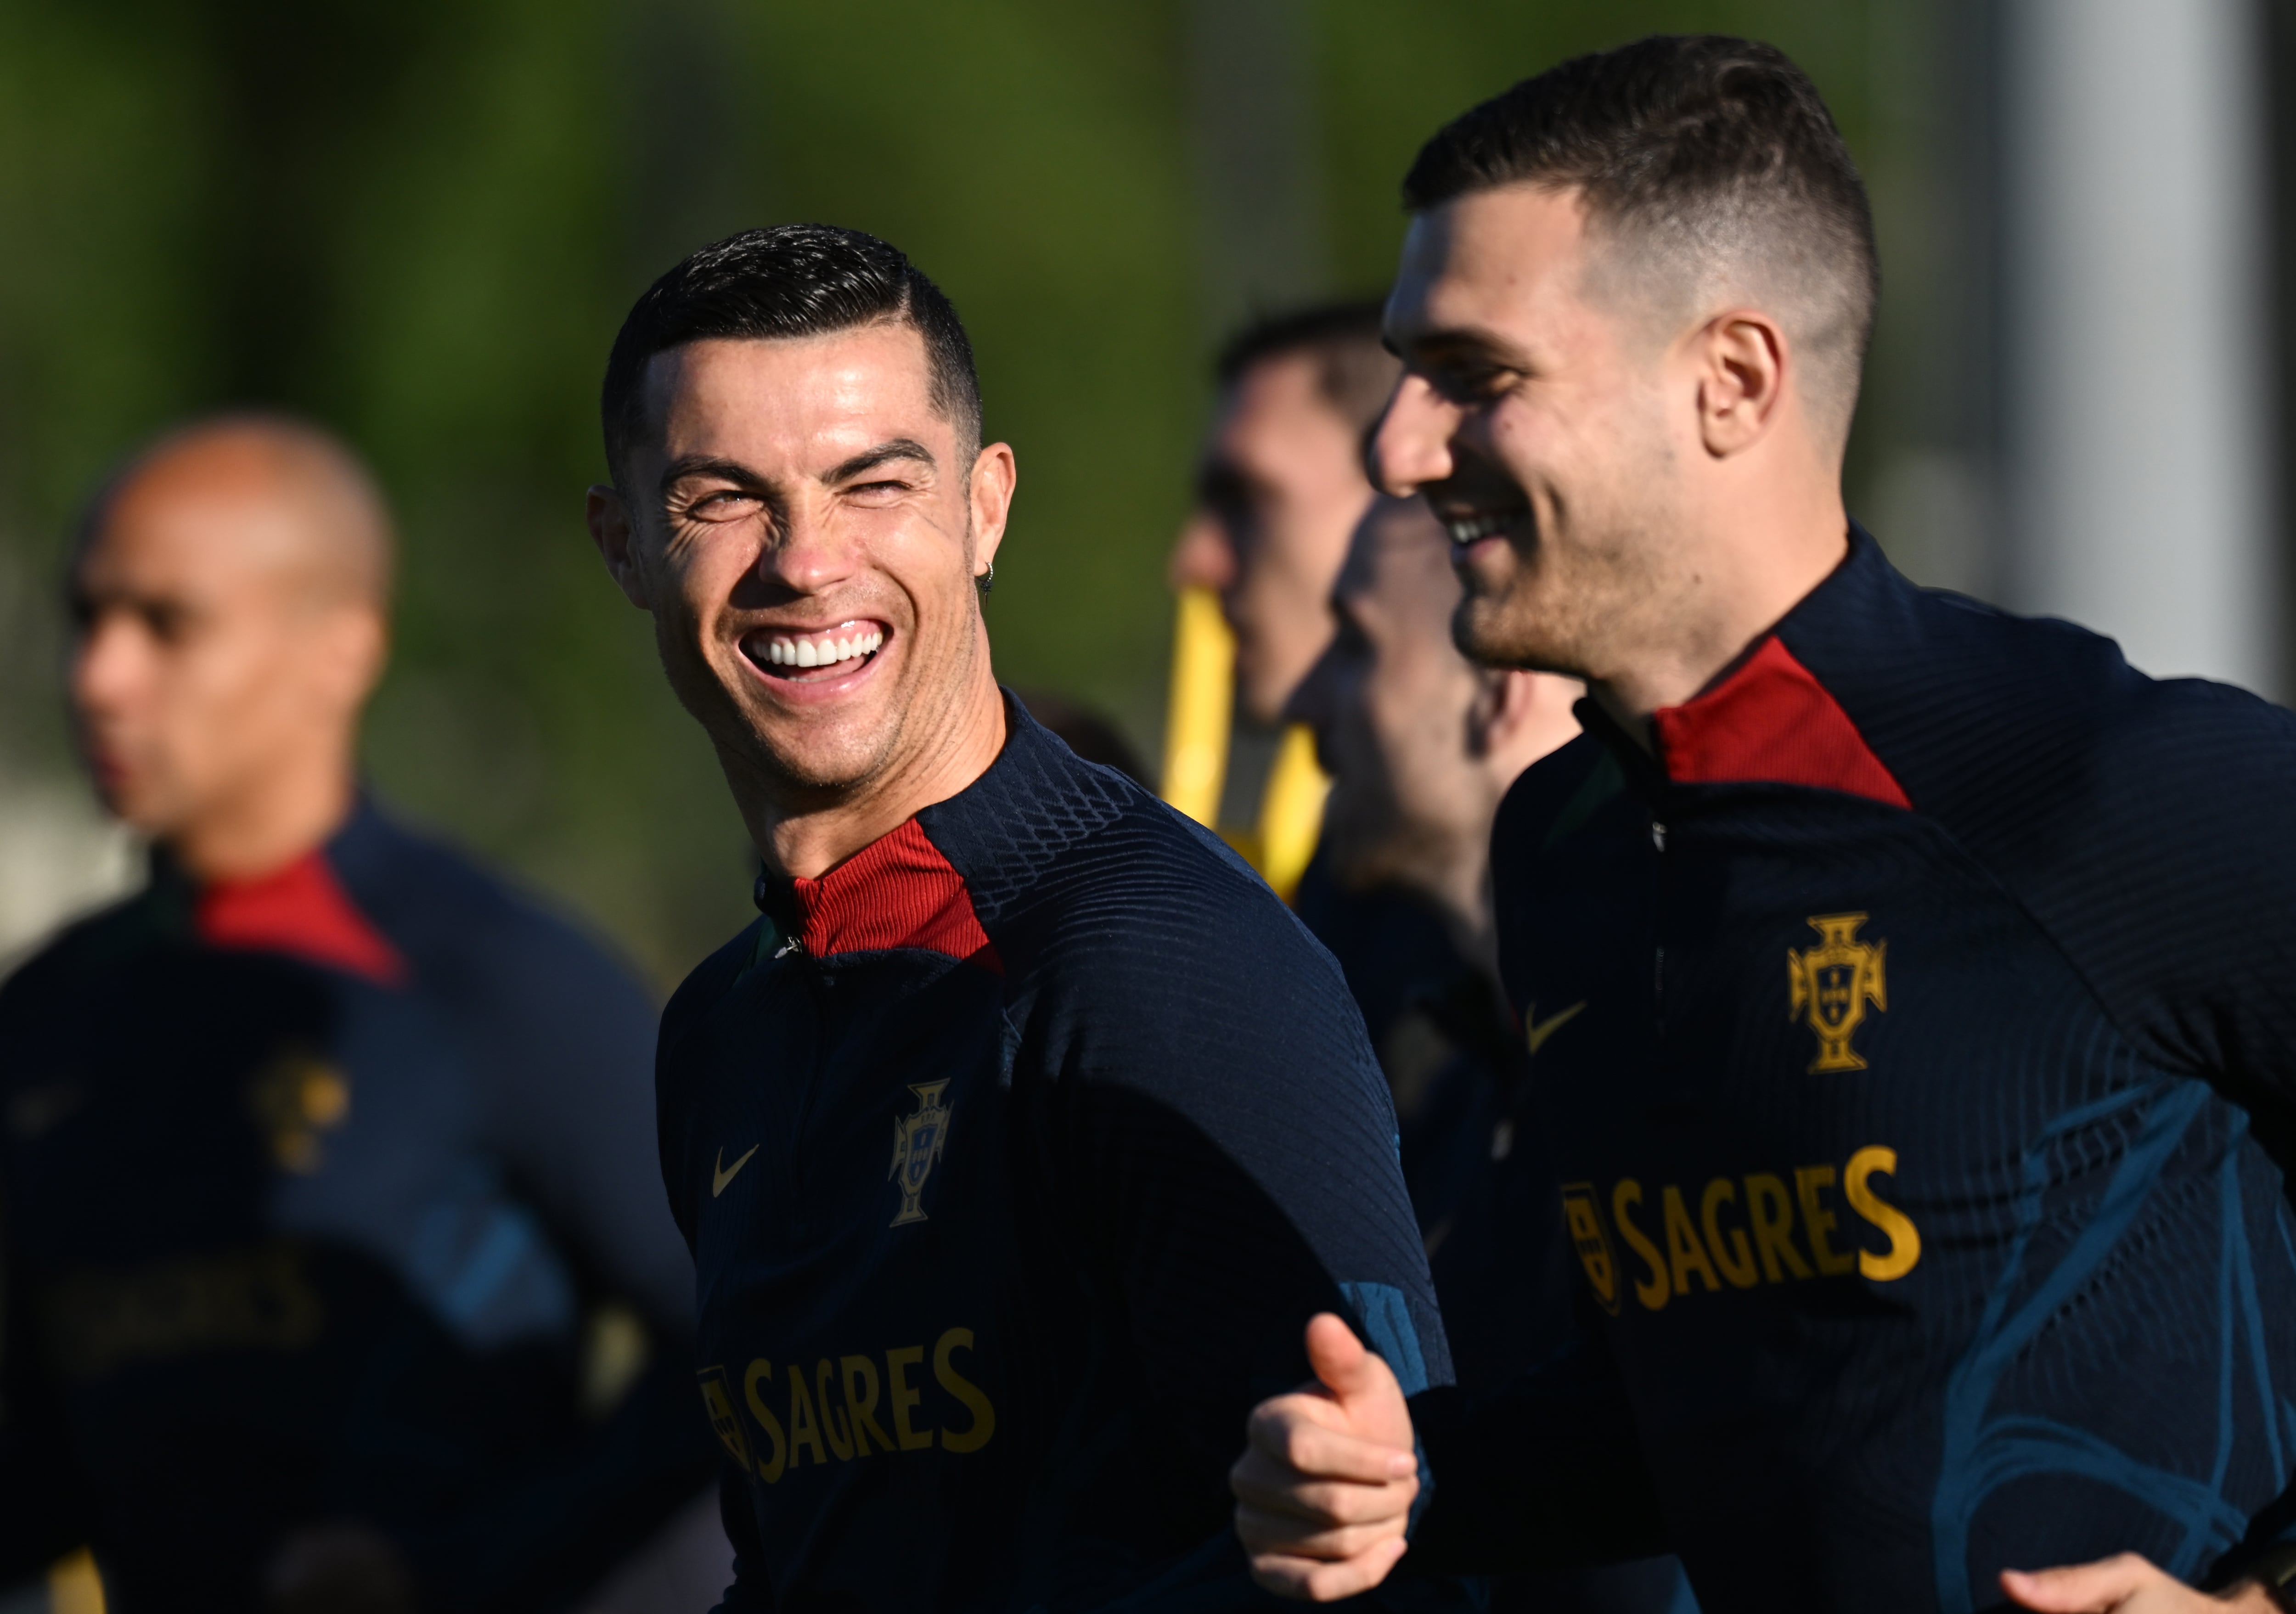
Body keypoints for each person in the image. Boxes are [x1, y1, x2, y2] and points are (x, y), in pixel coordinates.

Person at [1231, 34, 2296, 1614]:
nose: (1399, 452)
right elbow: (1701, 1418)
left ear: (1732, 381)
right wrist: (1413, 1475)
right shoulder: (1569, 847)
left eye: (1475, 375)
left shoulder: (2101, 778)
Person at [582, 225, 1452, 1611]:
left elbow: (1389, 1556)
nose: (807, 562)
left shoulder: (1151, 958)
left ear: (986, 508)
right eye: (723, 499)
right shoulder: (721, 1030)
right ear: (623, 541)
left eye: (874, 484)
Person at [0, 416, 720, 1612]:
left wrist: (452, 1568)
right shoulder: (45, 1017)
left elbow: (731, 1349)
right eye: (87, 619)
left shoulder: (496, 979)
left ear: (340, 649)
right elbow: (62, 1446)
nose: (100, 677)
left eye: (166, 624)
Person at [1289, 494, 1692, 1614]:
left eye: (1358, 644)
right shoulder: (1457, 1092)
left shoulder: (1688, 1056)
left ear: (1500, 684)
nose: (1300, 700)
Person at [1162, 303, 1400, 900]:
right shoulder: (1353, 884)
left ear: (1407, 488)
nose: (1194, 562)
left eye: (1248, 500)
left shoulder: (1582, 858)